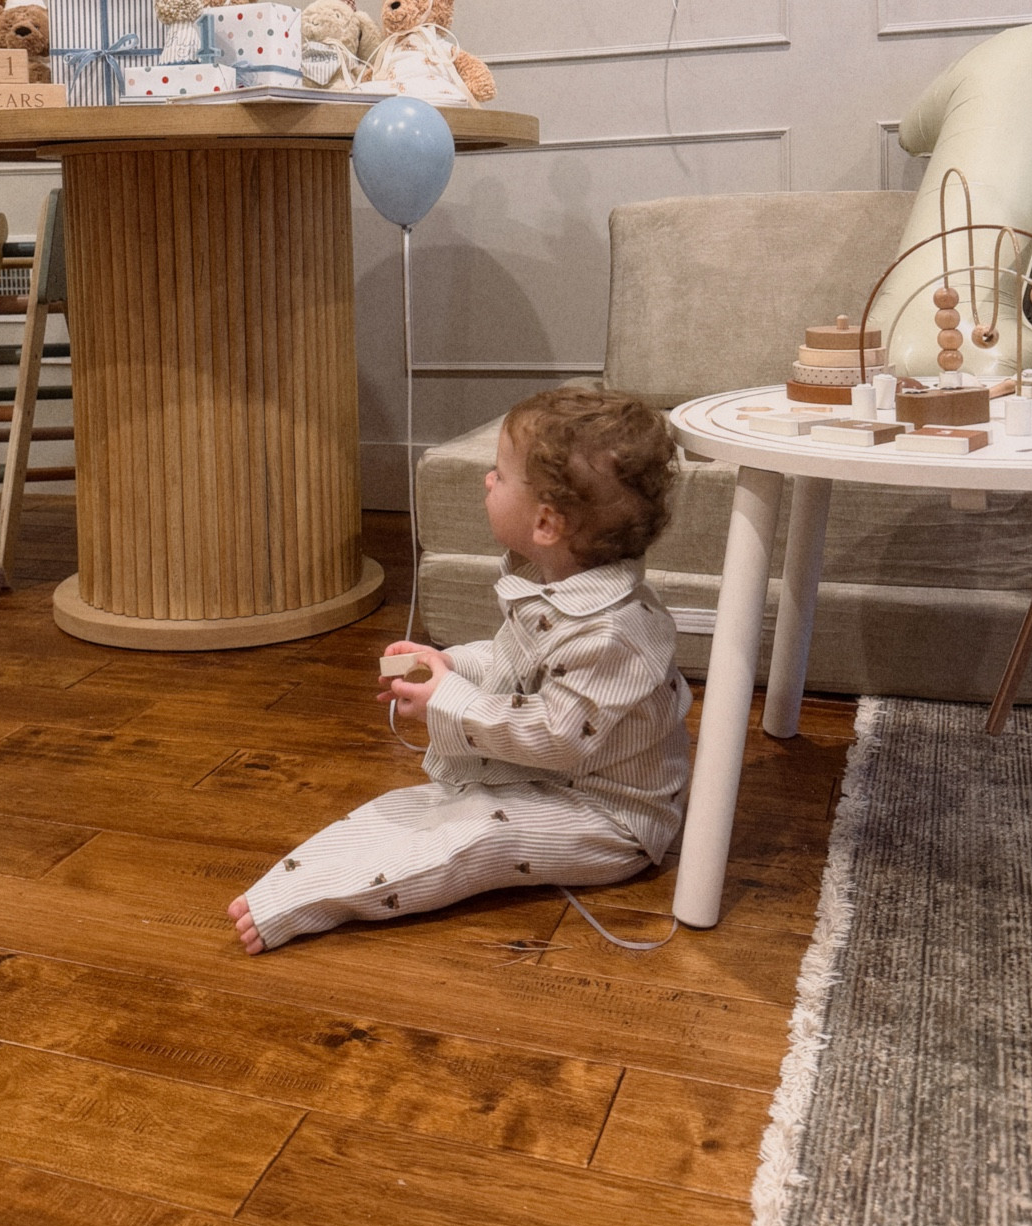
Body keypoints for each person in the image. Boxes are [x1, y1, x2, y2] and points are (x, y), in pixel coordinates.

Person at [229, 387, 691, 953]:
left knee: (474, 837)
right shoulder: (556, 585)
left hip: (610, 817)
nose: (488, 481)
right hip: (550, 780)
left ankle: (312, 902)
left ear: (546, 522)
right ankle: (295, 879)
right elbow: (513, 661)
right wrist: (449, 665)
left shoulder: (613, 633)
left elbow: (556, 735)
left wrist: (449, 700)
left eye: (501, 474)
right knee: (411, 806)